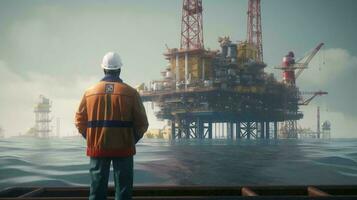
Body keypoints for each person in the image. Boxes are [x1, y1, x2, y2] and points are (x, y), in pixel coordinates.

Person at [75, 52, 149, 200]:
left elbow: (79, 121)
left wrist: (92, 138)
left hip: (97, 147)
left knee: (96, 189)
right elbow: (142, 123)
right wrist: (131, 139)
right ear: (119, 69)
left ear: (103, 69)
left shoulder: (89, 93)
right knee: (123, 190)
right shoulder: (131, 93)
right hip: (124, 148)